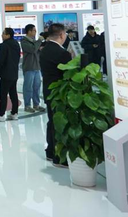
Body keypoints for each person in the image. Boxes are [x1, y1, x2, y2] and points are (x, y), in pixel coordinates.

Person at [40, 23, 72, 167]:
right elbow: (68, 74)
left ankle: (50, 151)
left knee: (52, 121)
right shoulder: (62, 53)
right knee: (59, 123)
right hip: (60, 92)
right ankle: (60, 157)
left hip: (48, 90)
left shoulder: (44, 49)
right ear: (61, 35)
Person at [0, 28, 21, 122]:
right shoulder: (16, 44)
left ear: (8, 35)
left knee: (3, 94)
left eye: (3, 33)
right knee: (13, 93)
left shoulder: (4, 45)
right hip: (14, 72)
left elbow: (0, 59)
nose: (2, 35)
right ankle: (14, 113)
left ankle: (1, 114)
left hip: (6, 73)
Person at [20, 24, 46, 113]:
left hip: (37, 67)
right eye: (34, 30)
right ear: (29, 31)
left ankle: (36, 104)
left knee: (37, 87)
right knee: (28, 87)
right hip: (29, 67)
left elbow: (36, 50)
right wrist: (39, 41)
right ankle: (27, 105)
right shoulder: (24, 41)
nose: (35, 32)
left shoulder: (34, 41)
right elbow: (32, 49)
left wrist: (41, 48)